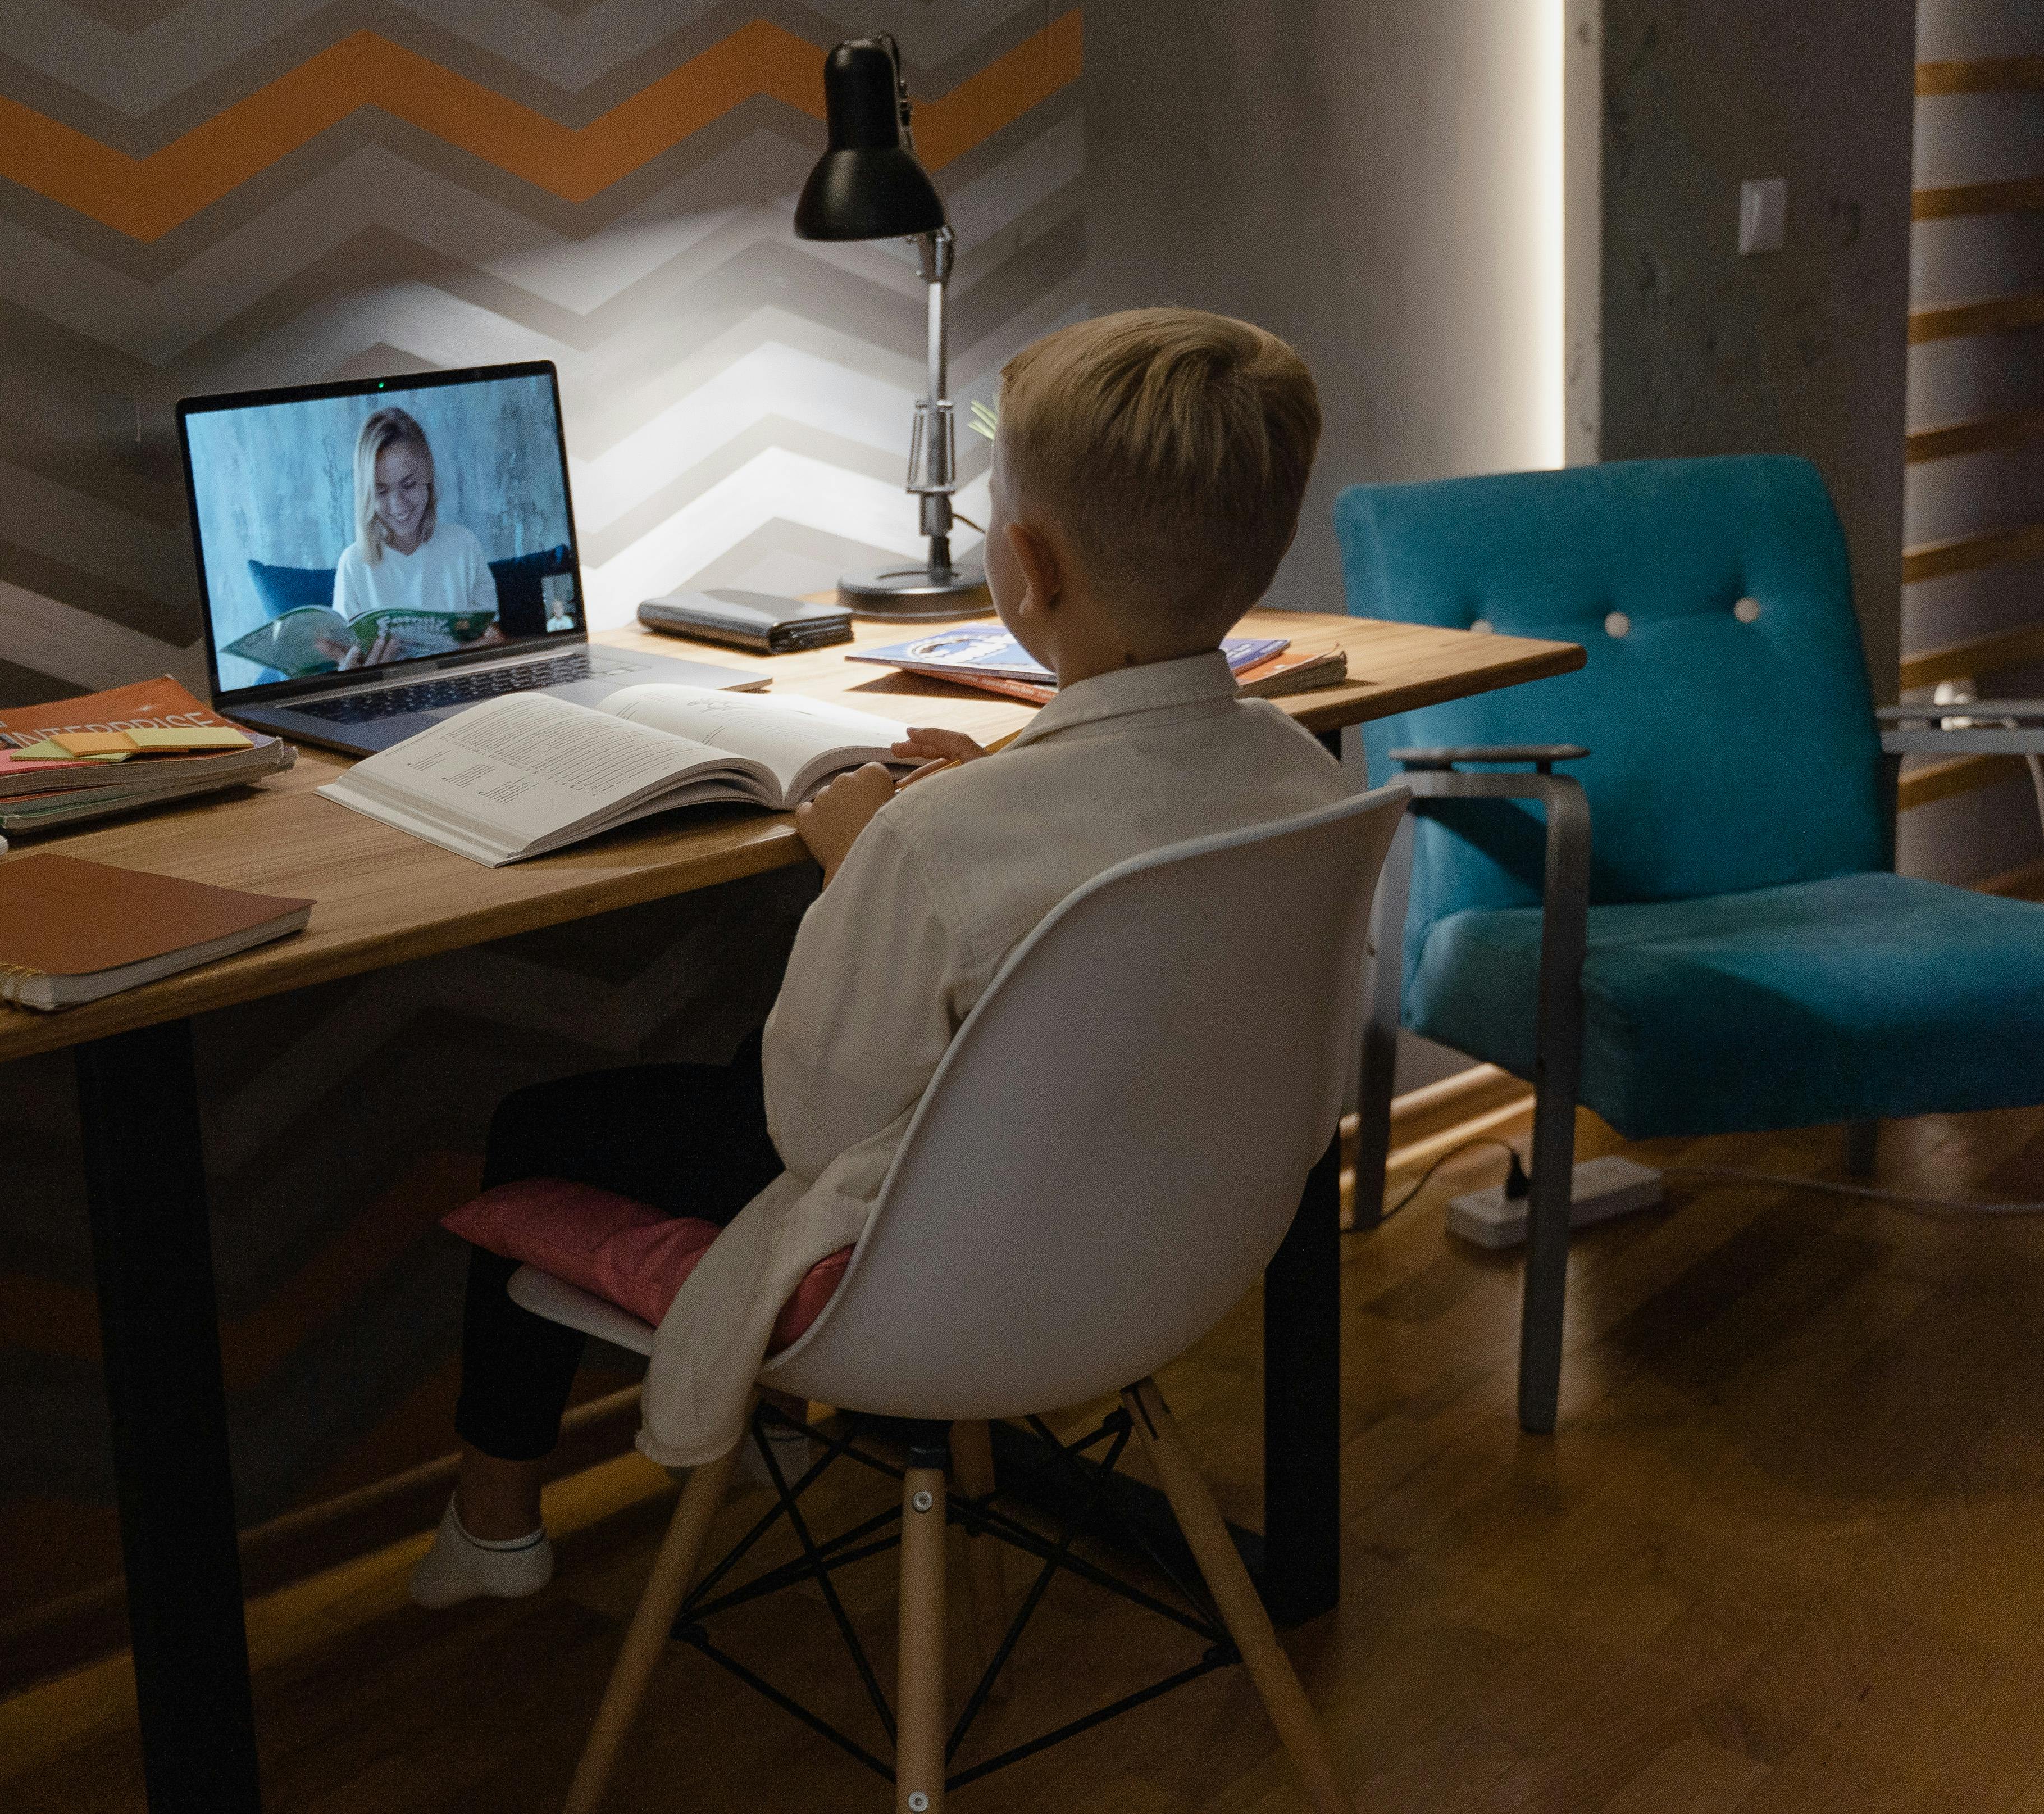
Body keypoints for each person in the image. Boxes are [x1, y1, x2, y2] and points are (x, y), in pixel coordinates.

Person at [412, 307, 1349, 1607]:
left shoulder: (934, 843)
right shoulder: (1303, 775)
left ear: (1025, 564)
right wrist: (956, 819)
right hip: (1168, 1241)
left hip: (947, 1273)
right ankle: (758, 1446)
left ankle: (494, 1524)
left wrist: (877, 859)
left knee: (543, 1118)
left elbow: (811, 1121)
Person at [325, 404, 506, 668]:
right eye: (381, 492)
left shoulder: (464, 545)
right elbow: (348, 660)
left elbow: (492, 637)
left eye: (408, 485)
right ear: (366, 494)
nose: (399, 506)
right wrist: (352, 672)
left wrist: (490, 645)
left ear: (428, 475)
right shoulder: (353, 564)